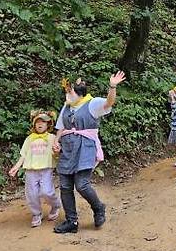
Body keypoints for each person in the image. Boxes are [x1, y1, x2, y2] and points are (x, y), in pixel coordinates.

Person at [52, 72, 125, 234]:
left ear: (78, 93)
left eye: (69, 92)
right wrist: (56, 141)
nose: (66, 95)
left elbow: (109, 103)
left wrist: (112, 86)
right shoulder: (67, 106)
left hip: (85, 147)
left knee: (82, 185)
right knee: (65, 186)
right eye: (66, 92)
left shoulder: (92, 103)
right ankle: (72, 221)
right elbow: (61, 127)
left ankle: (99, 208)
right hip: (68, 148)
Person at [8, 110, 61, 227]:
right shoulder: (29, 139)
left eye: (43, 122)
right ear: (33, 124)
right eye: (37, 122)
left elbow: (57, 153)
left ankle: (56, 205)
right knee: (31, 194)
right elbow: (23, 155)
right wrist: (16, 167)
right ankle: (36, 213)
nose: (40, 124)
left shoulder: (52, 138)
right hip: (31, 170)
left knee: (47, 191)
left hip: (46, 169)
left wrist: (57, 152)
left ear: (48, 124)